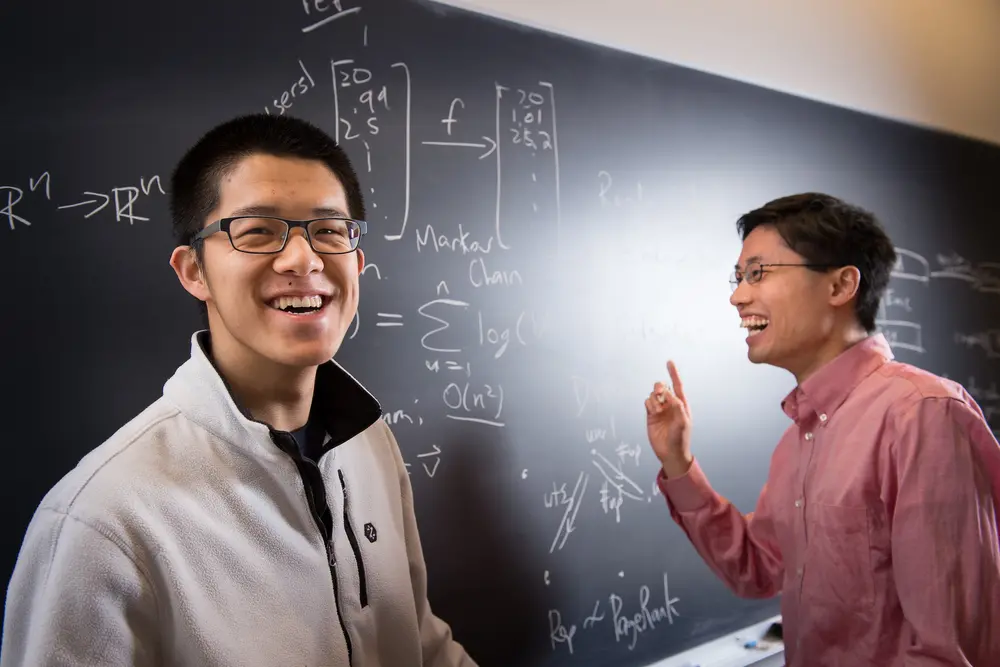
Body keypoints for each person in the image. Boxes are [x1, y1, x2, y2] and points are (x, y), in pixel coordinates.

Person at [1, 114, 477, 667]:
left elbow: (419, 643)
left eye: (328, 231)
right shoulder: (104, 521)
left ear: (358, 262)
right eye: (257, 231)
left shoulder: (369, 445)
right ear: (193, 271)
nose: (305, 259)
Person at [644, 193, 1000, 666]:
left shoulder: (922, 415)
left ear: (840, 285)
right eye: (738, 277)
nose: (737, 296)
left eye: (758, 273)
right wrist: (678, 463)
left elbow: (955, 651)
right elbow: (759, 569)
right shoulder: (799, 438)